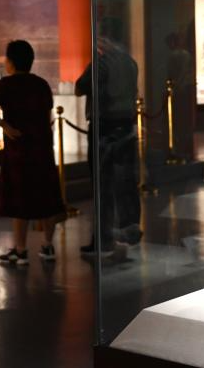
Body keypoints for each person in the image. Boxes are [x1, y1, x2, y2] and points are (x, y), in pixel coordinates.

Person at [0, 40, 65, 265]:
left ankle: (20, 250)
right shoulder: (42, 84)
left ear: (10, 61)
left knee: (19, 198)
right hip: (42, 148)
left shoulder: (6, 84)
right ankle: (48, 246)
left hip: (18, 149)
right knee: (46, 197)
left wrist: (4, 126)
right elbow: (47, 117)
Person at [75, 18, 141, 257]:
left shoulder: (101, 64)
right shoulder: (130, 62)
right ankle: (129, 229)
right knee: (126, 182)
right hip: (126, 126)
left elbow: (79, 87)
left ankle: (103, 239)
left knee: (102, 185)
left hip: (104, 128)